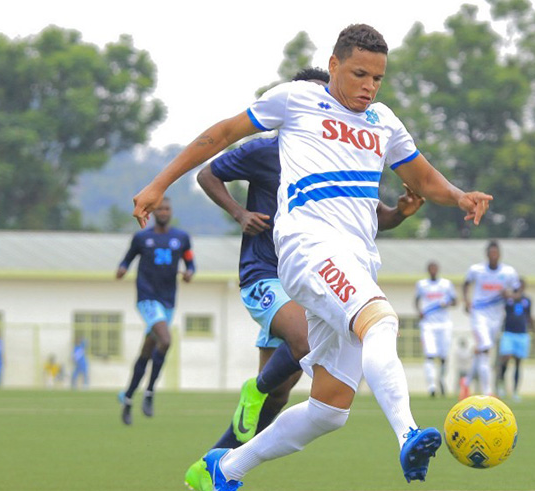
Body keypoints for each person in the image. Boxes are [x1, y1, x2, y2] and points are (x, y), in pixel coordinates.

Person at [132, 24, 492, 489]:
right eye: (360, 73)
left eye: (378, 78)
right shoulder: (298, 99)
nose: (369, 86)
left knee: (329, 409)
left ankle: (224, 469)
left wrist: (460, 197)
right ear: (334, 66)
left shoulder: (383, 121)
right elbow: (222, 133)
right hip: (308, 246)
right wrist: (159, 184)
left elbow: (422, 179)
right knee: (380, 321)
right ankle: (407, 435)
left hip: (356, 260)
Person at [184, 67, 425, 490]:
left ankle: (217, 466)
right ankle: (257, 390)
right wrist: (239, 213)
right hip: (267, 273)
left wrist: (403, 211)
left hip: (326, 277)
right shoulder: (265, 150)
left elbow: (377, 218)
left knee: (316, 406)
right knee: (307, 342)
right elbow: (209, 171)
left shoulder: (343, 151)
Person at [117, 197, 195, 425]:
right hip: (147, 298)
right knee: (166, 339)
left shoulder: (181, 238)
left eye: (167, 208)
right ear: (152, 212)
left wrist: (190, 272)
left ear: (171, 212)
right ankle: (150, 392)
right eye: (160, 208)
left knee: (147, 351)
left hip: (168, 300)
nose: (164, 212)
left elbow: (190, 263)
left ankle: (129, 397)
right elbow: (127, 259)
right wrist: (122, 269)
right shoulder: (142, 237)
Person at [462, 240, 520, 397]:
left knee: (483, 351)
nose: (493, 255)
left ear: (500, 254)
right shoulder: (477, 270)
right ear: (487, 254)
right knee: (486, 348)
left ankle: (466, 382)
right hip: (479, 314)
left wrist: (510, 295)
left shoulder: (508, 272)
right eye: (491, 253)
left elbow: (518, 293)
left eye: (496, 253)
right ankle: (488, 391)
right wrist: (466, 301)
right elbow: (466, 284)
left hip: (497, 316)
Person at [414, 261, 457, 397]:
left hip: (444, 325)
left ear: (438, 269)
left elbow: (455, 301)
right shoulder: (422, 284)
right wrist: (419, 311)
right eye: (430, 268)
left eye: (435, 268)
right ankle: (432, 386)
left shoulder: (446, 284)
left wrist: (447, 303)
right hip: (428, 325)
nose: (433, 270)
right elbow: (416, 300)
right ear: (428, 270)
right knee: (430, 355)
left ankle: (441, 379)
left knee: (444, 356)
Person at [496, 277, 535, 401]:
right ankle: (501, 386)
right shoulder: (508, 299)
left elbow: (529, 316)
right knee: (505, 358)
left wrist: (534, 332)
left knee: (518, 363)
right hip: (509, 333)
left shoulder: (527, 300)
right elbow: (501, 295)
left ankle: (515, 391)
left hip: (522, 334)